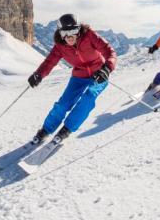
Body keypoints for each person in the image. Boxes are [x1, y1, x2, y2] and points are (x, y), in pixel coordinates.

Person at [27, 14, 117, 145]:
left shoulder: (89, 35)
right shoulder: (60, 46)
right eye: (65, 32)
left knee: (88, 97)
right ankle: (46, 130)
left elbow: (110, 51)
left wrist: (107, 68)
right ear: (60, 32)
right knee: (63, 103)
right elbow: (49, 62)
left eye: (73, 31)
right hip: (79, 76)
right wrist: (39, 74)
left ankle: (67, 129)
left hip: (99, 73)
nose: (70, 36)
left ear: (79, 29)